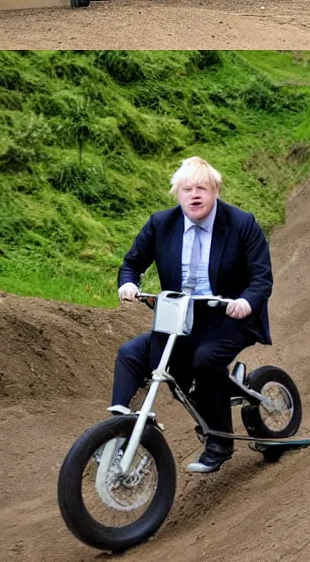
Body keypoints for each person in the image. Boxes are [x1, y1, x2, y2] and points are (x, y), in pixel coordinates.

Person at [111, 156, 272, 474]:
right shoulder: (161, 223)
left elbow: (260, 278)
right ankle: (119, 425)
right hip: (179, 319)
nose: (194, 195)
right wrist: (128, 283)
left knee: (204, 361)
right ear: (177, 193)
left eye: (202, 188)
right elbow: (132, 263)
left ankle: (221, 440)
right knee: (134, 355)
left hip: (228, 316)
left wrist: (245, 302)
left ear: (215, 191)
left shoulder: (241, 224)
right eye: (187, 189)